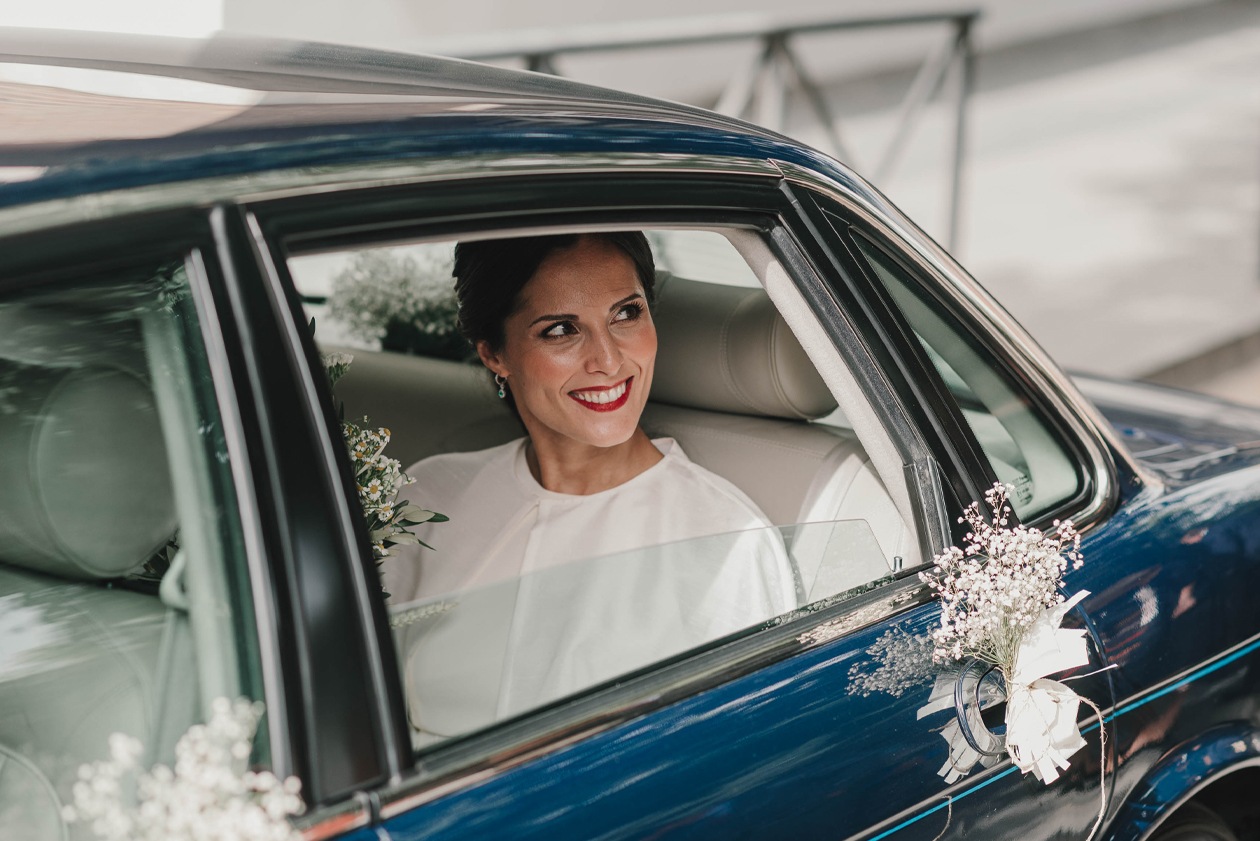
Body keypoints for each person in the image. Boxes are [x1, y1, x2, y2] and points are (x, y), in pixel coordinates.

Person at [383, 231, 798, 743]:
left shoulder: (727, 539)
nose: (608, 360)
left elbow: (733, 755)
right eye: (561, 329)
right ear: (494, 353)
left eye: (626, 314)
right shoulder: (430, 496)